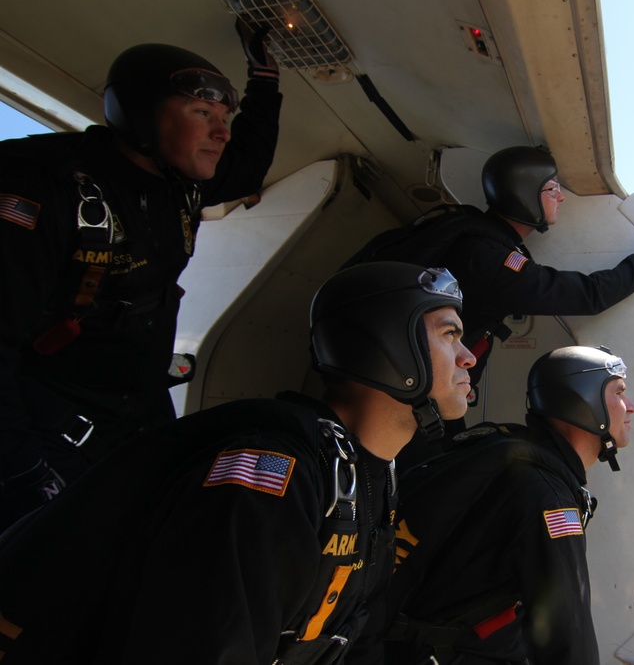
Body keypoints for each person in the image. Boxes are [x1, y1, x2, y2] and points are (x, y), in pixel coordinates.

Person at [0, 261, 477, 665]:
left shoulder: (370, 479)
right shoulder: (271, 474)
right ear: (392, 347)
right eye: (449, 335)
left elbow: (354, 637)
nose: (468, 357)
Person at [0, 23, 283, 530]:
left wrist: (265, 78)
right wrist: (22, 473)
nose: (221, 132)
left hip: (140, 412)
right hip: (54, 426)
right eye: (202, 113)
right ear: (140, 115)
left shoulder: (180, 182)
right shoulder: (48, 191)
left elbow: (251, 159)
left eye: (224, 117)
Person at [351, 345, 634, 665]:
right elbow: (569, 637)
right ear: (586, 401)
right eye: (620, 392)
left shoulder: (505, 457)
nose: (632, 406)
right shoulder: (550, 499)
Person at [342, 145, 634, 393]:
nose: (561, 197)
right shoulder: (491, 259)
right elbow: (589, 296)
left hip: (394, 374)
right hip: (410, 388)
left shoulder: (469, 230)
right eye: (552, 188)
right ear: (526, 195)